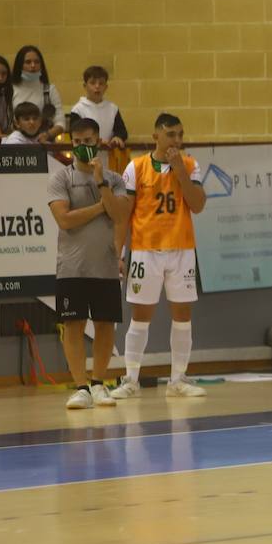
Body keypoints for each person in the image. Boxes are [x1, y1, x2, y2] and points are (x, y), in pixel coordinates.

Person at [111, 113, 208, 399]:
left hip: (181, 250)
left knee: (182, 316)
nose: (177, 141)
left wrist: (179, 171)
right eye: (171, 135)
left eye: (180, 134)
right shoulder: (136, 167)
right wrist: (118, 253)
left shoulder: (190, 165)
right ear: (156, 136)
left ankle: (178, 379)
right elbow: (123, 215)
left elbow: (198, 205)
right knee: (140, 316)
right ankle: (130, 379)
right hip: (144, 251)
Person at [48, 118, 132, 410]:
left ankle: (98, 383)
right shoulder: (61, 179)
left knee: (106, 325)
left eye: (90, 141)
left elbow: (121, 216)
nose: (85, 146)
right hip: (72, 266)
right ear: (72, 143)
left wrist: (100, 181)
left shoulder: (115, 179)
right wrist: (100, 207)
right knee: (72, 325)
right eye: (79, 142)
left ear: (99, 141)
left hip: (105, 266)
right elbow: (64, 219)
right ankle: (81, 387)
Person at [11, 45, 64, 142]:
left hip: (43, 143)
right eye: (28, 62)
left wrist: (47, 135)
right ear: (20, 65)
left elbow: (60, 123)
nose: (33, 66)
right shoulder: (11, 90)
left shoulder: (49, 90)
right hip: (17, 142)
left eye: (36, 62)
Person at [69, 66, 128, 151]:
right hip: (85, 156)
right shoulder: (78, 110)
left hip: (108, 157)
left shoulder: (113, 109)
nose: (97, 86)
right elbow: (74, 135)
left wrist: (117, 137)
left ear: (106, 87)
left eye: (101, 83)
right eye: (92, 83)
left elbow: (122, 131)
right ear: (85, 86)